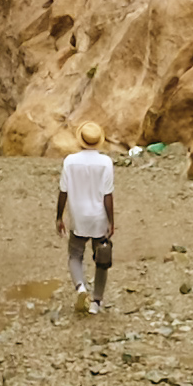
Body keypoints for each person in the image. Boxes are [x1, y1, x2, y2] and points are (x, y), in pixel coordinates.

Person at [55, 121, 116, 313]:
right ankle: (96, 303)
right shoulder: (105, 162)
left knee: (75, 255)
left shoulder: (70, 161)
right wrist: (111, 221)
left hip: (78, 217)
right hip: (98, 217)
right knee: (102, 259)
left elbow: (63, 191)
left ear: (80, 140)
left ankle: (81, 287)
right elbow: (108, 196)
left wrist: (59, 217)